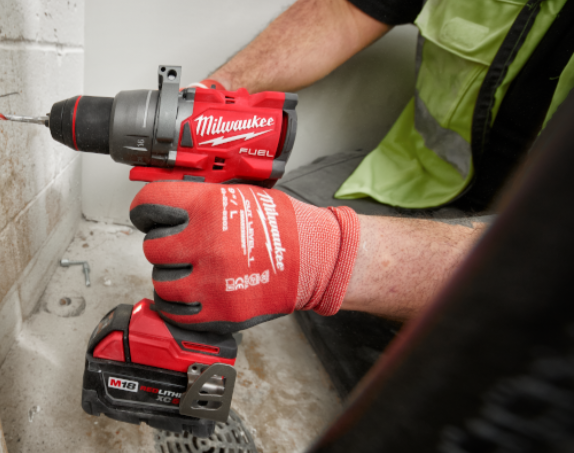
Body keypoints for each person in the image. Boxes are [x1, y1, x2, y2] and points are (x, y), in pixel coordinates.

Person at [130, 0, 573, 334]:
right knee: (239, 237)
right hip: (414, 179)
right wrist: (211, 96)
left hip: (545, 246)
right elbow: (347, 10)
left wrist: (330, 255)